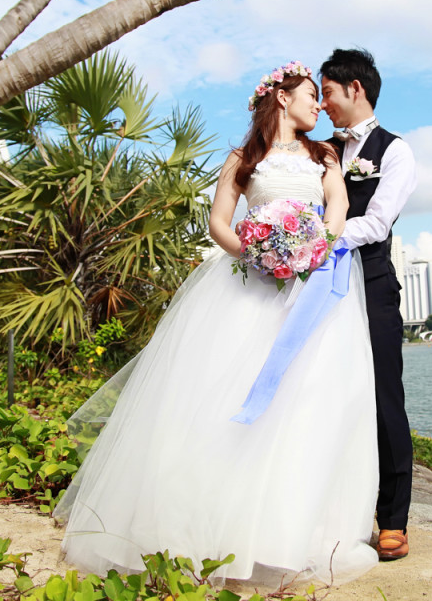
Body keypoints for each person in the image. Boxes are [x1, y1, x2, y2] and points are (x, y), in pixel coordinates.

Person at [54, 62, 379, 587]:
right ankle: (211, 529)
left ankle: (288, 536)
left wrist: (317, 245)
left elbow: (337, 204)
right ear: (281, 98)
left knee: (309, 402)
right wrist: (254, 253)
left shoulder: (324, 154)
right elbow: (218, 223)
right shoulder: (242, 158)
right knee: (224, 397)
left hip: (314, 289)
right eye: (310, 95)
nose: (318, 105)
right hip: (249, 287)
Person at [321, 48, 417, 561]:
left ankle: (393, 518)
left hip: (371, 281)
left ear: (355, 89)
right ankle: (333, 508)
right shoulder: (321, 151)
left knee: (384, 397)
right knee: (322, 392)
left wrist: (317, 237)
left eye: (329, 94)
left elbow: (377, 223)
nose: (324, 106)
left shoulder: (396, 151)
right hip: (318, 284)